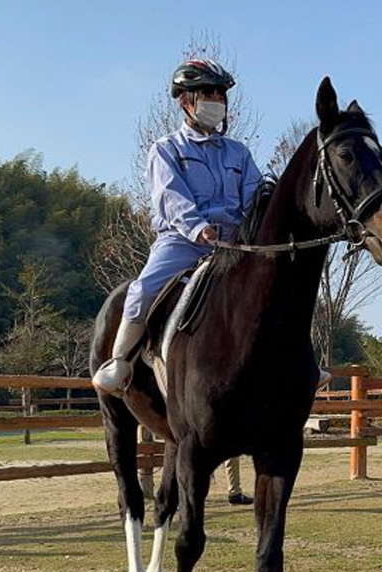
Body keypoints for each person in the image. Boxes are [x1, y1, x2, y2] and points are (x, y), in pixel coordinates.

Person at [92, 58, 263, 395]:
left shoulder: (239, 153)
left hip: (235, 242)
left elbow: (256, 194)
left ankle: (300, 361)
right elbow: (171, 196)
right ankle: (120, 360)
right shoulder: (165, 149)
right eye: (207, 93)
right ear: (185, 100)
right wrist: (199, 228)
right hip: (184, 242)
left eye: (219, 93)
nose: (216, 100)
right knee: (143, 288)